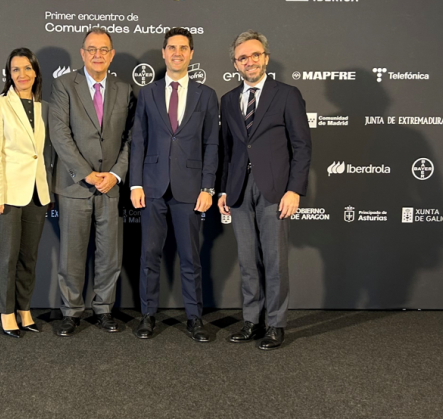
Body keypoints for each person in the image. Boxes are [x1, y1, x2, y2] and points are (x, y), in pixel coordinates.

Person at [218, 30, 311, 350]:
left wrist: (294, 190)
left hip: (276, 190)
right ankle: (251, 320)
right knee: (247, 261)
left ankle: (275, 324)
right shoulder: (228, 100)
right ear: (235, 64)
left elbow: (302, 146)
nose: (250, 61)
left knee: (274, 261)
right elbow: (227, 151)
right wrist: (223, 191)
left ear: (266, 58)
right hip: (238, 191)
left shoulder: (287, 94)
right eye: (242, 57)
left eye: (255, 55)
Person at [129, 27, 219, 342]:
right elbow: (138, 140)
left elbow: (211, 144)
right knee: (149, 255)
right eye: (171, 47)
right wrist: (135, 184)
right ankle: (148, 315)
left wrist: (208, 187)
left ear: (191, 54)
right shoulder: (148, 93)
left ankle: (194, 318)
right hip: (152, 186)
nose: (177, 53)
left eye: (183, 48)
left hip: (190, 188)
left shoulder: (207, 95)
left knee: (191, 257)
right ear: (164, 52)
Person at [49, 27, 135, 337]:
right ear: (82, 53)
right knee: (72, 254)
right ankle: (71, 311)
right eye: (92, 49)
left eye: (103, 49)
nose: (98, 54)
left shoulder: (124, 89)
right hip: (76, 184)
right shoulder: (64, 85)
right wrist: (85, 172)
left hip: (110, 185)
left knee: (109, 253)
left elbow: (131, 137)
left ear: (112, 55)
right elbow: (59, 132)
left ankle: (104, 309)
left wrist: (115, 174)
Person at [0, 48, 54, 338]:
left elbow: (42, 154)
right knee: (7, 258)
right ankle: (6, 312)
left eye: (27, 68)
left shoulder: (44, 108)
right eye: (15, 69)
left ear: (35, 72)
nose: (22, 74)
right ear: (9, 74)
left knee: (29, 257)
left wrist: (47, 190)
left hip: (37, 193)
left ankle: (24, 309)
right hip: (9, 194)